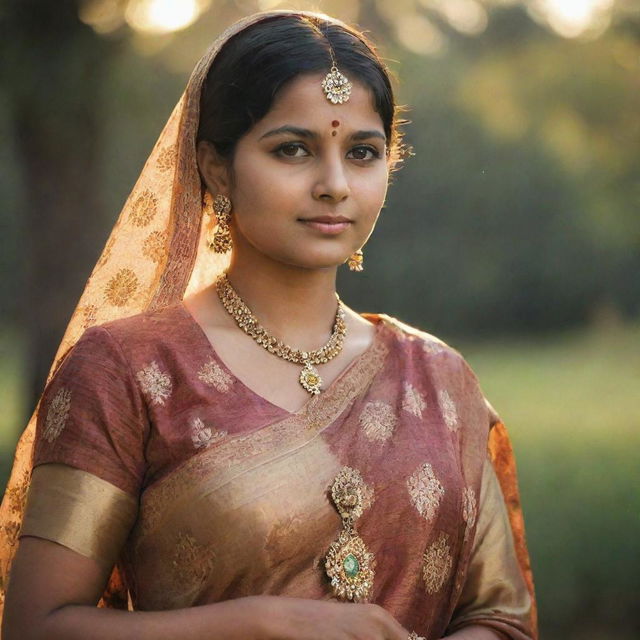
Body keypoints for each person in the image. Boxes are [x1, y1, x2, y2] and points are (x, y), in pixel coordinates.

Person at [0, 9, 537, 640]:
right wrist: (249, 625)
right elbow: (35, 625)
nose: (335, 185)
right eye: (293, 150)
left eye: (362, 152)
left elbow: (501, 618)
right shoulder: (127, 372)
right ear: (215, 167)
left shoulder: (441, 378)